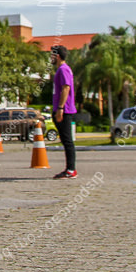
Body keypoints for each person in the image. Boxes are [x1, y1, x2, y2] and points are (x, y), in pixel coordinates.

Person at [50, 45, 78, 179]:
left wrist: (61, 108)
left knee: (67, 140)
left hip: (64, 109)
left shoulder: (63, 69)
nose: (51, 58)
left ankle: (71, 169)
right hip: (60, 108)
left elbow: (66, 88)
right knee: (65, 139)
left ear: (58, 56)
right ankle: (69, 168)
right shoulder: (60, 70)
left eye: (52, 55)